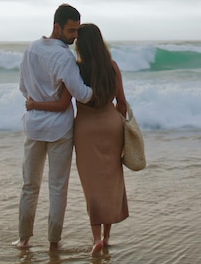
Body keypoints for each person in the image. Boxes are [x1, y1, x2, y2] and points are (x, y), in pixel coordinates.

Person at [26, 23, 129, 257]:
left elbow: (63, 103)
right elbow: (121, 101)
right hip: (111, 126)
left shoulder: (77, 69)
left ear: (81, 45)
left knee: (92, 186)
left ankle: (95, 239)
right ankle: (107, 237)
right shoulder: (112, 68)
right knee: (111, 181)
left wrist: (33, 104)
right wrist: (120, 124)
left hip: (85, 130)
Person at [13, 4, 94, 251]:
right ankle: (53, 243)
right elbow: (81, 94)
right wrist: (101, 90)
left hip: (35, 126)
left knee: (30, 184)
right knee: (57, 187)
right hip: (59, 129)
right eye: (71, 30)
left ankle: (24, 240)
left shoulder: (31, 50)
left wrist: (36, 101)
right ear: (57, 27)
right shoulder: (64, 57)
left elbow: (23, 88)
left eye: (77, 30)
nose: (75, 36)